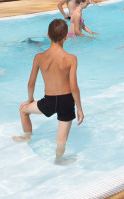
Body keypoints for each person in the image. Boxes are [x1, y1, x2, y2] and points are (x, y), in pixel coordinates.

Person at [13, 19, 84, 165]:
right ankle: (59, 159)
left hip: (49, 101)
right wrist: (79, 108)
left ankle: (27, 136)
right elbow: (74, 87)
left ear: (47, 35)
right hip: (66, 101)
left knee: (23, 110)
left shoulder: (39, 57)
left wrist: (30, 99)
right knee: (61, 138)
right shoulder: (71, 59)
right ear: (66, 36)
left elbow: (31, 83)